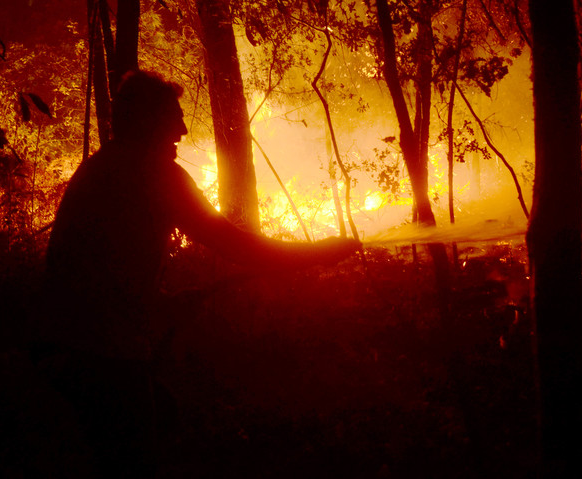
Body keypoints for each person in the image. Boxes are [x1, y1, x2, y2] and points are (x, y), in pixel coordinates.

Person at [41, 70, 359, 477]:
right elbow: (239, 247)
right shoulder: (155, 174)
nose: (184, 128)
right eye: (173, 117)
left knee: (159, 416)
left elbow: (96, 270)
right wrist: (318, 253)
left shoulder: (101, 168)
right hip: (102, 354)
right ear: (146, 121)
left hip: (65, 344)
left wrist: (161, 305)